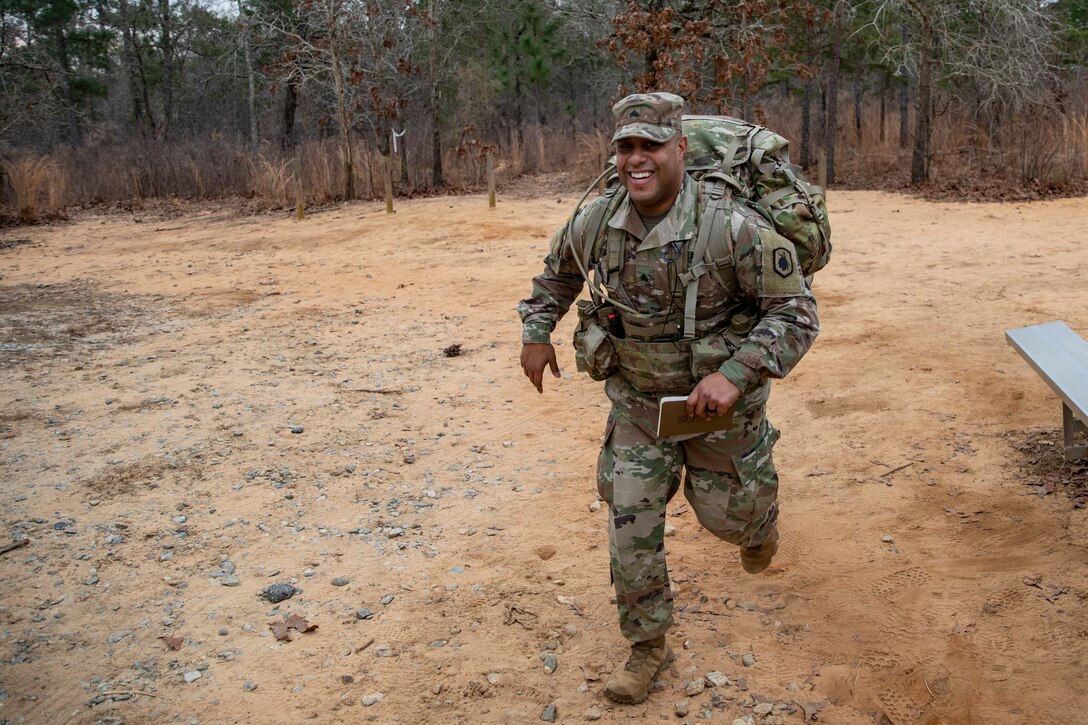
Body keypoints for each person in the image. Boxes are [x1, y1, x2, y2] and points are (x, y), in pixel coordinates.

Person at [517, 92, 822, 705]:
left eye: (650, 145)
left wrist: (735, 374)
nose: (637, 159)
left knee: (729, 520)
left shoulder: (732, 227)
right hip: (637, 404)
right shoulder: (598, 219)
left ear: (679, 148)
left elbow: (796, 311)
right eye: (626, 147)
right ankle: (647, 646)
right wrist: (534, 332)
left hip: (719, 407)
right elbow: (556, 276)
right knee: (630, 525)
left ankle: (758, 523)